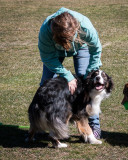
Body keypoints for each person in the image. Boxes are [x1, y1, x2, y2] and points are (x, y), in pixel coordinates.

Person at [38, 7, 102, 139]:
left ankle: (94, 125)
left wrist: (90, 73)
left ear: (76, 29)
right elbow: (48, 58)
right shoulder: (45, 32)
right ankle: (42, 124)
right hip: (54, 52)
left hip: (81, 47)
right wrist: (67, 76)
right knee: (46, 83)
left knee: (88, 86)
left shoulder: (85, 26)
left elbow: (96, 50)